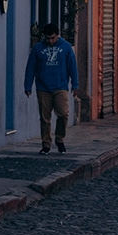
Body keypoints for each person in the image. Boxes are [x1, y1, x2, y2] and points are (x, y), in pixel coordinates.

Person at [23, 23, 77, 154]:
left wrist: (75, 84)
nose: (50, 41)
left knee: (63, 114)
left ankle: (60, 139)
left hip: (61, 86)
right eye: (48, 38)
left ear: (58, 36)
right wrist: (28, 85)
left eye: (53, 38)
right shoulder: (37, 49)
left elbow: (72, 66)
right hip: (43, 87)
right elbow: (31, 67)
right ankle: (46, 143)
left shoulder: (66, 48)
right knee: (44, 118)